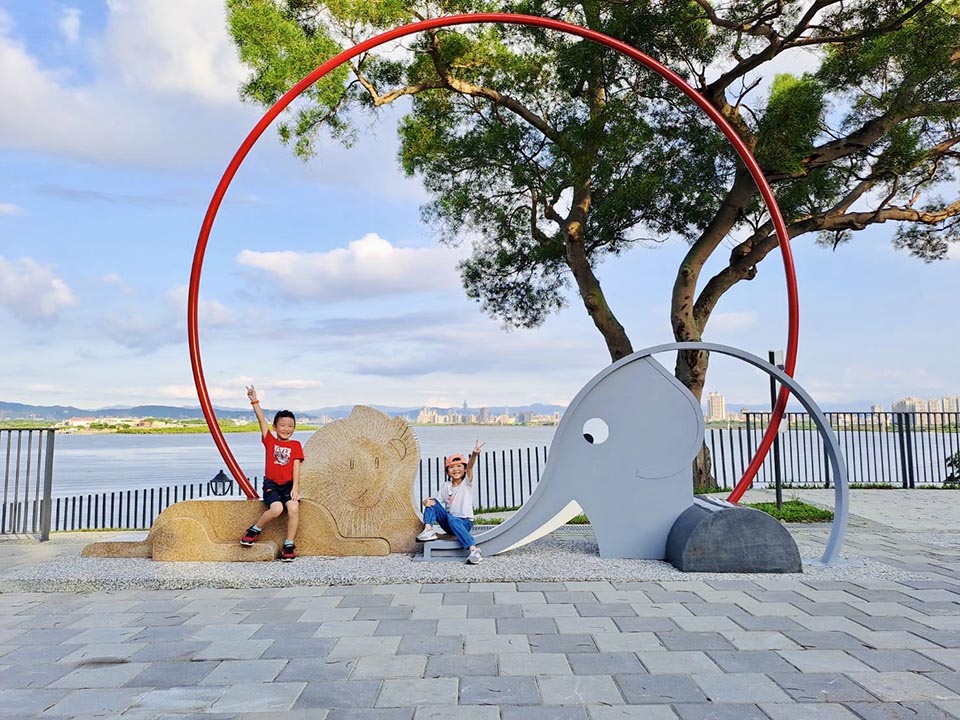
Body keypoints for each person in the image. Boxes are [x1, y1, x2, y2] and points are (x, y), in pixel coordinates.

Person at [239, 385, 304, 561]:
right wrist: (254, 400)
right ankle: (255, 529)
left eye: (290, 425)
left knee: (293, 507)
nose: (286, 428)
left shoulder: (295, 445)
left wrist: (295, 488)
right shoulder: (270, 441)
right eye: (282, 425)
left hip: (289, 486)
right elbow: (261, 420)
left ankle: (289, 543)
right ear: (275, 427)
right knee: (276, 508)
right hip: (272, 484)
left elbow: (296, 466)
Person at [417, 440, 485, 564]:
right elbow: (435, 502)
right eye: (452, 467)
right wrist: (424, 501)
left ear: (464, 469)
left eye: (459, 466)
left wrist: (474, 454)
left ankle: (474, 550)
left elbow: (470, 466)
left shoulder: (467, 484)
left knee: (454, 519)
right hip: (449, 523)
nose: (456, 469)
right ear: (447, 472)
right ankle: (428, 530)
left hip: (464, 522)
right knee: (432, 501)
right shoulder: (446, 486)